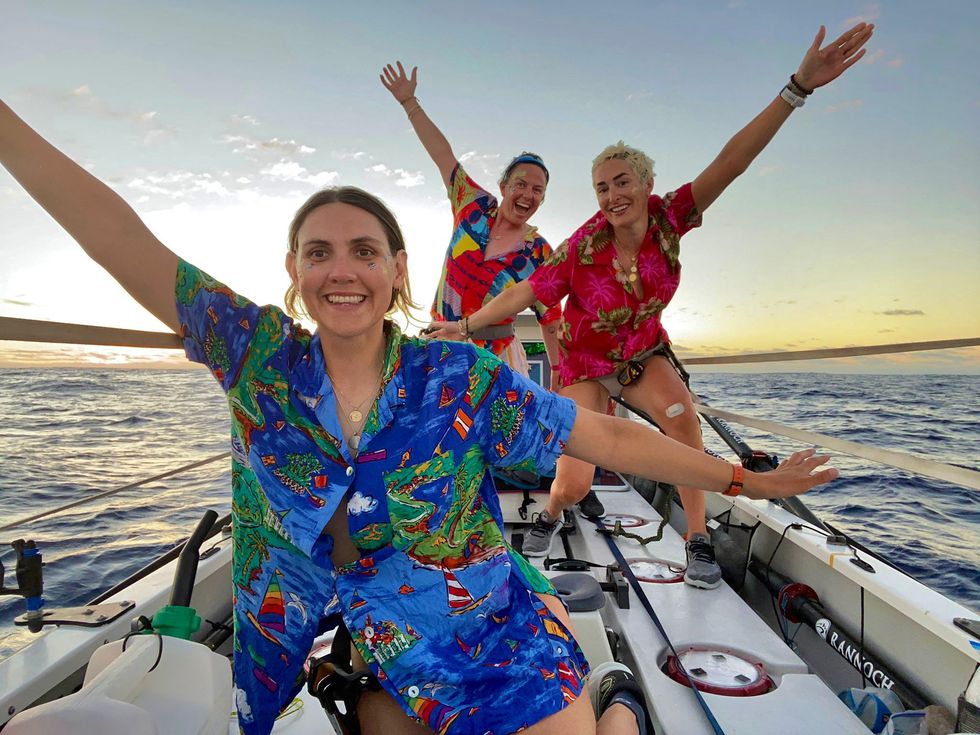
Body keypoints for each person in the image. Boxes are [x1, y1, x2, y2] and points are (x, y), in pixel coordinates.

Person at [0, 87, 837, 735]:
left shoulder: (458, 376)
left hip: (479, 637)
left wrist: (741, 478)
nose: (343, 271)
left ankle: (615, 692)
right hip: (335, 644)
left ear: (398, 270)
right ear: (292, 269)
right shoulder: (255, 355)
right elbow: (116, 234)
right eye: (319, 251)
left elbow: (604, 432)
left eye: (365, 250)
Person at [426, 22, 873, 587]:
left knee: (682, 421)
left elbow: (731, 163)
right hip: (586, 362)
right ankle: (554, 511)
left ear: (645, 182)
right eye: (601, 188)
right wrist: (464, 326)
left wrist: (796, 89)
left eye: (621, 182)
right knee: (575, 480)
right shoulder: (580, 248)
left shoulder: (670, 217)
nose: (612, 196)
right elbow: (522, 294)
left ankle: (697, 540)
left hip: (642, 353)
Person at [381, 61, 609, 518]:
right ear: (503, 185)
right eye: (520, 184)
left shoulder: (541, 252)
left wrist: (563, 375)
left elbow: (551, 319)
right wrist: (409, 102)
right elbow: (441, 153)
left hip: (497, 352)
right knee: (432, 431)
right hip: (442, 339)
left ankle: (572, 485)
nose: (527, 194)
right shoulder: (471, 206)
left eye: (538, 191)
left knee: (509, 433)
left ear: (543, 199)